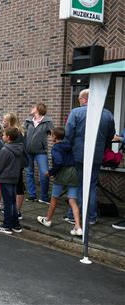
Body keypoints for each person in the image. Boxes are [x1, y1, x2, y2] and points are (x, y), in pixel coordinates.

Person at [64, 89, 115, 225]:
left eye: (80, 99)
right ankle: (91, 217)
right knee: (91, 185)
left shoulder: (76, 112)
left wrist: (68, 148)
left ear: (85, 99)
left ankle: (73, 216)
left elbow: (68, 133)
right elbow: (111, 135)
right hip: (97, 155)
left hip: (79, 154)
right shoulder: (107, 114)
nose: (79, 102)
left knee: (79, 184)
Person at [37, 127, 82, 236]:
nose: (51, 136)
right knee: (72, 200)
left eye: (51, 135)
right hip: (73, 173)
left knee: (54, 198)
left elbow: (59, 162)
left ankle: (48, 220)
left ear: (55, 137)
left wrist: (50, 172)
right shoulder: (69, 146)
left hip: (62, 174)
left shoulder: (56, 148)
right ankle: (78, 227)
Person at [0, 127, 26, 235]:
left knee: (7, 203)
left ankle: (6, 225)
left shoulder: (5, 150)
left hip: (5, 178)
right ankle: (16, 224)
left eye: (4, 135)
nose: (2, 136)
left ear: (8, 137)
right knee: (12, 202)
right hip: (14, 178)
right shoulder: (20, 148)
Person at [23, 103, 54, 203]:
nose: (31, 109)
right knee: (29, 173)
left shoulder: (47, 121)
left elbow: (54, 134)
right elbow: (23, 133)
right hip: (28, 151)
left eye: (33, 107)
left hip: (41, 151)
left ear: (38, 109)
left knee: (44, 173)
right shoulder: (28, 120)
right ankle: (32, 195)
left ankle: (44, 197)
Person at [2, 112, 26, 220]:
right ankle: (12, 208)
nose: (3, 122)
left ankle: (17, 211)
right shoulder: (12, 131)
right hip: (14, 163)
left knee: (18, 186)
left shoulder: (17, 133)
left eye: (4, 120)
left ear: (10, 121)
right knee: (14, 186)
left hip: (17, 163)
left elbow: (15, 149)